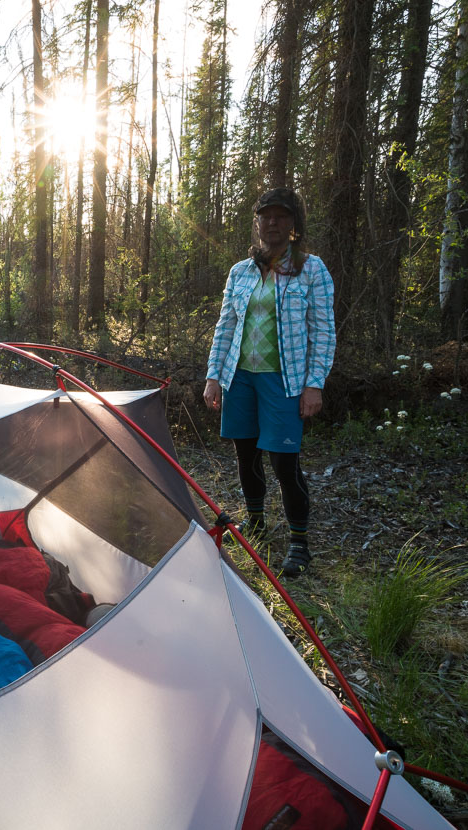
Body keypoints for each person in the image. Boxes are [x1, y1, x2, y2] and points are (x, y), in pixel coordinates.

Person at [202, 188, 336, 578]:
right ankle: (257, 525)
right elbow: (226, 325)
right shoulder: (240, 272)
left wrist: (314, 384)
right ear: (257, 222)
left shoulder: (312, 269)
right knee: (246, 456)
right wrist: (214, 376)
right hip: (239, 377)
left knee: (284, 461)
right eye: (266, 216)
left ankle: (299, 543)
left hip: (285, 380)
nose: (272, 223)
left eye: (281, 216)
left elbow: (323, 330)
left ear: (294, 223)